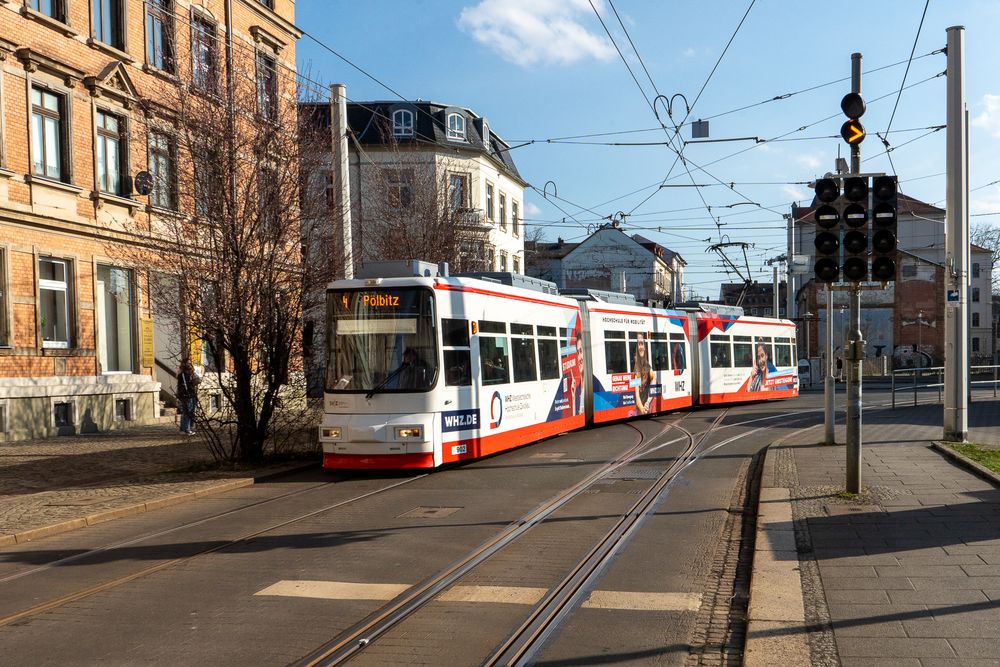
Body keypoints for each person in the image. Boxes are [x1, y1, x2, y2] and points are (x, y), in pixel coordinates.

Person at [176, 360, 200, 435]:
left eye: (190, 363)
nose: (189, 364)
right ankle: (187, 429)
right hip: (186, 395)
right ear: (184, 364)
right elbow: (183, 385)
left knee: (191, 412)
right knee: (187, 412)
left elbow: (198, 380)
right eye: (187, 363)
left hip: (192, 394)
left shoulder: (191, 373)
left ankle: (185, 428)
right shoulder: (182, 374)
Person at [633, 333, 654, 414]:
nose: (641, 347)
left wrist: (648, 402)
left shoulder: (648, 367)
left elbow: (653, 382)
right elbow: (637, 395)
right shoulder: (636, 369)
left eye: (642, 344)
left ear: (645, 347)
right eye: (639, 344)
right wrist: (642, 409)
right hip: (640, 410)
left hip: (647, 408)